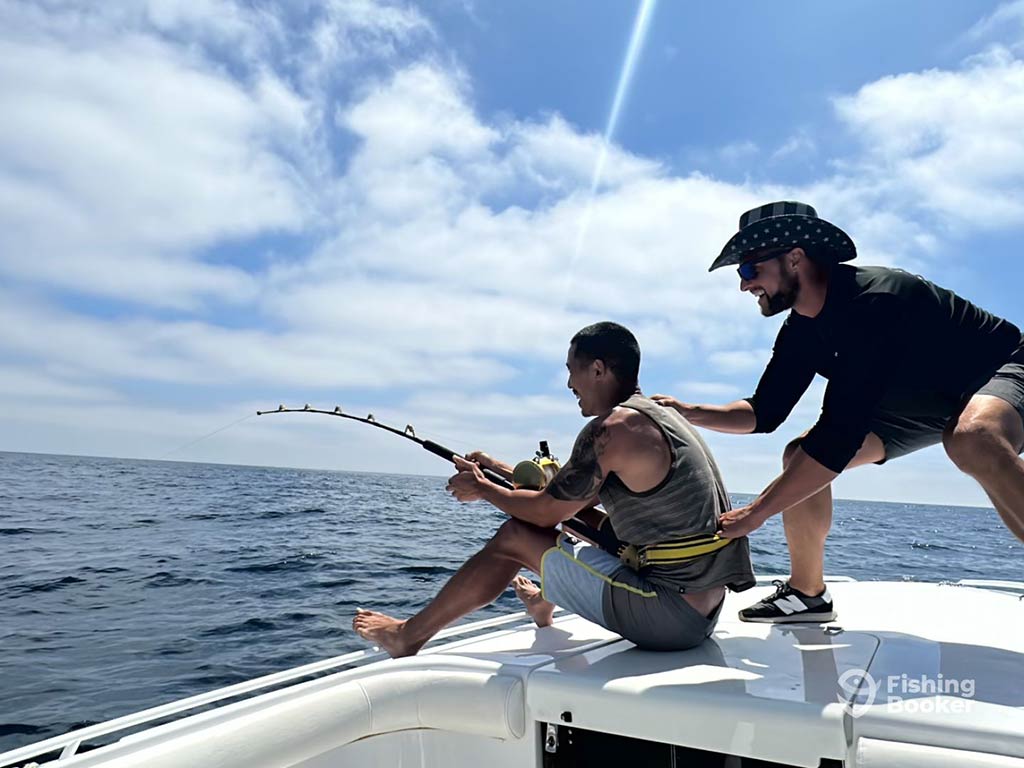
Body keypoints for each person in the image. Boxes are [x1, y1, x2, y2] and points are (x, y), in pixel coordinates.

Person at [653, 201, 1024, 623]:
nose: (743, 286)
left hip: (1004, 369)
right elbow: (764, 412)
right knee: (798, 454)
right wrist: (688, 412)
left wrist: (755, 514)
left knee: (971, 439)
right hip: (922, 407)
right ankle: (807, 594)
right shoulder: (801, 328)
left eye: (749, 270)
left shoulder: (879, 300)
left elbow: (838, 437)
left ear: (795, 258)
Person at [353, 321, 755, 656]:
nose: (568, 383)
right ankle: (543, 605)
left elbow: (545, 511)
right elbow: (567, 497)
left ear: (597, 369)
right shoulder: (656, 418)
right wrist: (496, 470)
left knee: (516, 535)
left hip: (669, 618)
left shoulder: (612, 429)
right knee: (583, 523)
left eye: (572, 370)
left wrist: (482, 489)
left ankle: (406, 637)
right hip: (702, 607)